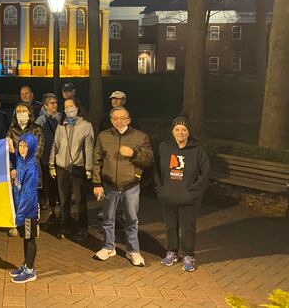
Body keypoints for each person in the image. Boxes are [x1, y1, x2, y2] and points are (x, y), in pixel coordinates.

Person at [92, 107, 153, 266]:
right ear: (111, 120)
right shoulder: (103, 136)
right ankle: (108, 247)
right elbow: (96, 161)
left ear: (129, 120)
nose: (119, 121)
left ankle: (133, 251)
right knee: (108, 218)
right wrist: (97, 183)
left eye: (122, 118)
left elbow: (149, 160)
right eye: (115, 118)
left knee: (131, 219)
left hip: (131, 186)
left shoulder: (140, 137)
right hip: (109, 185)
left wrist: (133, 154)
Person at [155, 115, 210, 272]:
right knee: (170, 226)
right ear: (172, 131)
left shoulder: (197, 150)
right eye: (177, 129)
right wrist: (160, 188)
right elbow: (156, 170)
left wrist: (194, 191)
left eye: (184, 130)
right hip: (168, 195)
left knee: (188, 227)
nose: (180, 132)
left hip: (188, 197)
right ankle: (172, 252)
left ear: (189, 132)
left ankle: (188, 255)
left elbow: (205, 172)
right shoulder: (164, 147)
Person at [48, 97, 94, 240]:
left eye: (71, 106)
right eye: (66, 107)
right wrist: (51, 164)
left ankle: (82, 227)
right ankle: (65, 226)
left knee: (80, 200)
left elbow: (89, 148)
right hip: (61, 167)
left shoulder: (86, 125)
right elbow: (55, 145)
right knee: (63, 200)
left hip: (77, 167)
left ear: (77, 108)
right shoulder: (61, 125)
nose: (68, 109)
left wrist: (88, 168)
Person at [6, 102, 44, 237]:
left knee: (32, 199)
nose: (21, 113)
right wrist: (11, 167)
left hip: (31, 170)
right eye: (18, 111)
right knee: (17, 197)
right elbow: (8, 153)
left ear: (29, 113)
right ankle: (18, 224)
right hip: (16, 171)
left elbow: (38, 151)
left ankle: (34, 224)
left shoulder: (37, 129)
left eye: (24, 110)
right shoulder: (12, 130)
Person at [9, 133, 40, 284]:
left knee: (30, 239)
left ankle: (30, 270)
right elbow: (16, 163)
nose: (22, 148)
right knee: (25, 239)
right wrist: (11, 151)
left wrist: (19, 216)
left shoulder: (31, 167)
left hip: (28, 212)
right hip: (21, 209)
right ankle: (26, 264)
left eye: (25, 146)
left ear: (32, 147)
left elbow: (28, 196)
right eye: (20, 145)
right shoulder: (22, 161)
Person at [34, 93, 61, 223]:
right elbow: (36, 137)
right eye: (51, 103)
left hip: (60, 157)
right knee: (49, 183)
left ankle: (61, 210)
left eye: (55, 102)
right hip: (46, 157)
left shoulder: (61, 118)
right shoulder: (41, 120)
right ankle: (52, 210)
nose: (54, 105)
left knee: (60, 184)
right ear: (45, 106)